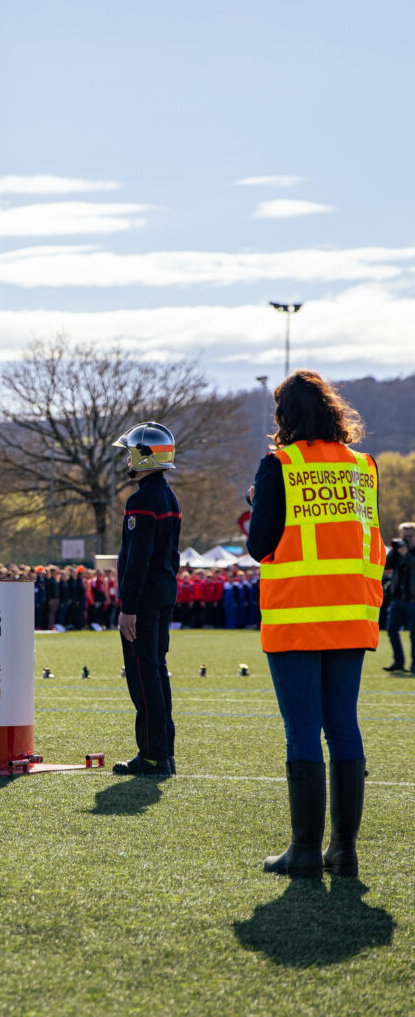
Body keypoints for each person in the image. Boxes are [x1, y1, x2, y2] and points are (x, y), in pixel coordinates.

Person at [247, 370, 385, 877]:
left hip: (298, 616)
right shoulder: (363, 466)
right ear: (333, 412)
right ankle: (343, 851)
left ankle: (304, 851)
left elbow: (261, 544)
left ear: (284, 418)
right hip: (351, 614)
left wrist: (259, 500)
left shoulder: (278, 465)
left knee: (302, 729)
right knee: (343, 725)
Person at [111, 421, 181, 778]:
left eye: (130, 452)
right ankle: (163, 750)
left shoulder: (141, 500)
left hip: (145, 602)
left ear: (143, 456)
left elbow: (137, 560)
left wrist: (128, 607)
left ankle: (152, 754)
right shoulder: (168, 495)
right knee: (156, 671)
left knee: (143, 676)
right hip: (163, 596)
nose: (126, 459)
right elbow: (173, 556)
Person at [382, 522, 415, 674]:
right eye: (404, 536)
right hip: (397, 599)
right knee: (391, 630)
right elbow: (385, 564)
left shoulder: (409, 552)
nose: (407, 539)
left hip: (413, 600)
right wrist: (395, 552)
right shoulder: (397, 551)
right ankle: (398, 661)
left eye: (410, 536)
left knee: (414, 634)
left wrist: (406, 554)